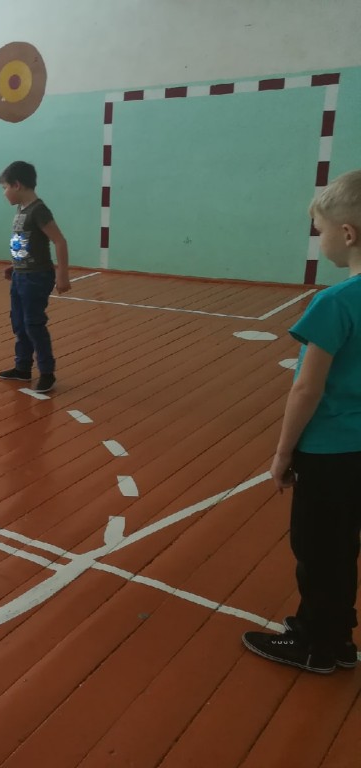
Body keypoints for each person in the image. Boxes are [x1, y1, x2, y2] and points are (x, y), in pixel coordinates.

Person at [243, 169, 361, 673]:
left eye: (321, 230)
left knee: (318, 548)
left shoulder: (334, 303)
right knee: (345, 544)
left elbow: (306, 389)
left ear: (347, 233)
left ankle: (317, 644)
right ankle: (339, 637)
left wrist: (283, 452)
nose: (320, 239)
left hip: (329, 451)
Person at [0, 161, 71, 393]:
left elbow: (60, 241)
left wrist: (62, 275)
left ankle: (47, 372)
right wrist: (15, 265)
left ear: (17, 185)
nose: (4, 193)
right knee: (19, 323)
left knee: (33, 324)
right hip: (21, 275)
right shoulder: (21, 209)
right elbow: (26, 242)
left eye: (5, 188)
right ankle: (23, 368)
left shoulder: (38, 210)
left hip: (36, 278)